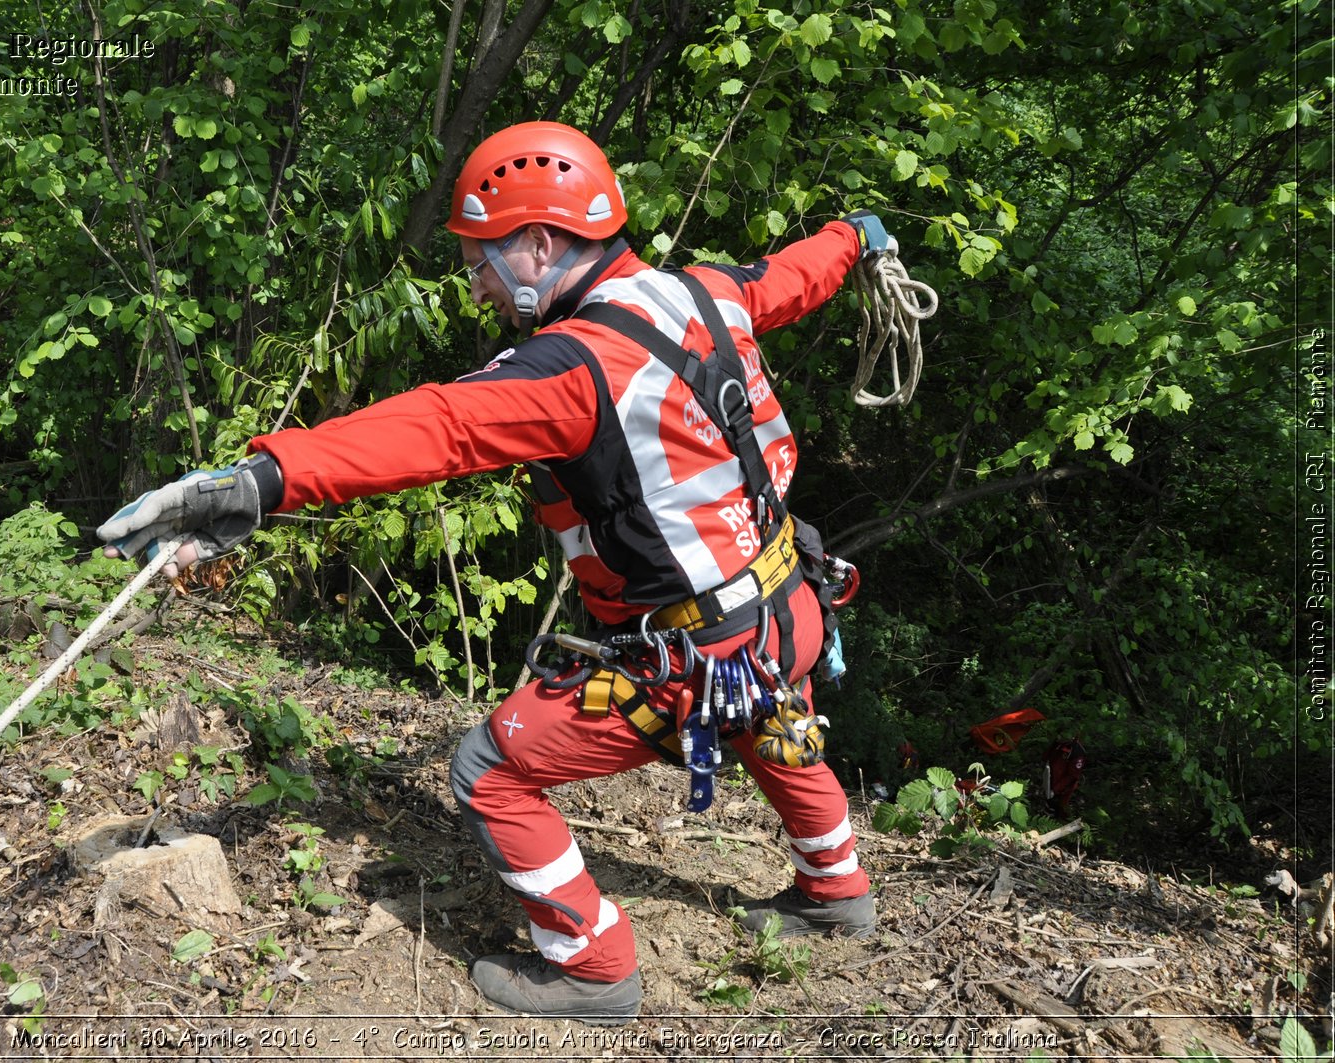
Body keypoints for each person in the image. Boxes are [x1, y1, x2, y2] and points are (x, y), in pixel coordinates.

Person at [97, 121, 890, 1026]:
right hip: (788, 607)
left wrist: (255, 484)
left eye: (481, 258)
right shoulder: (704, 292)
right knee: (760, 708)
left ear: (542, 245)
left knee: (488, 768)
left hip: (689, 654)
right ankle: (835, 888)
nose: (474, 282)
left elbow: (433, 427)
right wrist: (857, 237)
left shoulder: (570, 369)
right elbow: (793, 275)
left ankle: (593, 965)